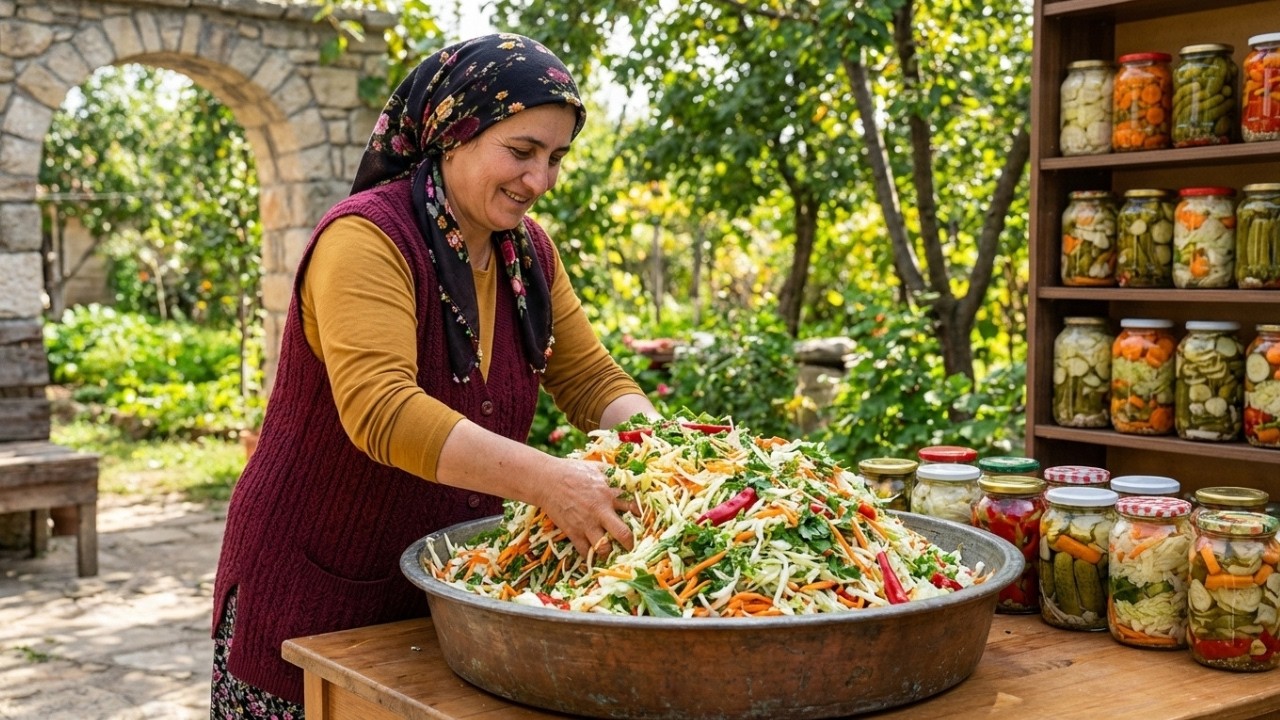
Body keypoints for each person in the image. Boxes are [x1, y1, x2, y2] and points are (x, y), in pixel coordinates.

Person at [209, 33, 658, 717]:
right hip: (316, 590)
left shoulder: (527, 255)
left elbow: (591, 378)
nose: (540, 182)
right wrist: (552, 483)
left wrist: (676, 456)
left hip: (443, 602)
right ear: (455, 133)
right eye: (521, 152)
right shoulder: (366, 240)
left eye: (556, 158)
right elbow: (384, 412)